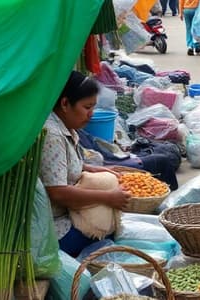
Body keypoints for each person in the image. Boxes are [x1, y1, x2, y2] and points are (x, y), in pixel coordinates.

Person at [40, 71, 131, 257]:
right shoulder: (52, 135)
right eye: (87, 107)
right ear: (65, 104)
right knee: (108, 230)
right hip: (54, 229)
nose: (91, 114)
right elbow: (57, 192)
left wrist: (91, 168)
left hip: (67, 215)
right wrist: (107, 197)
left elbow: (63, 165)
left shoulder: (67, 128)